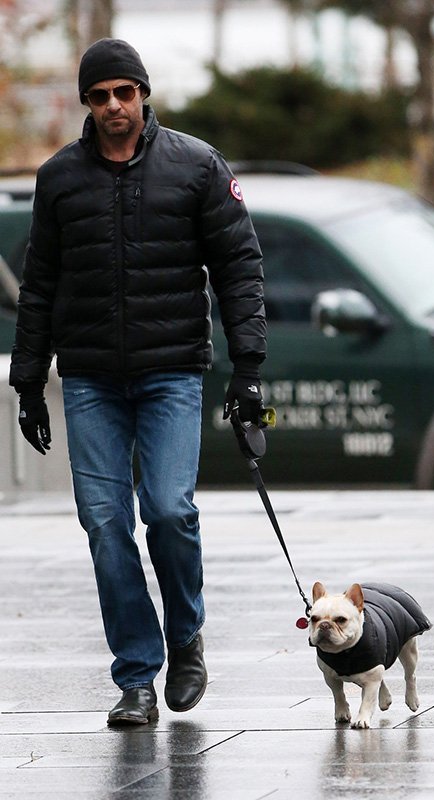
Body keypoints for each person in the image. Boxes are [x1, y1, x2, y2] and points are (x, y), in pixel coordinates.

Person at [9, 39, 266, 725]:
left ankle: (185, 637)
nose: (114, 106)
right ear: (86, 104)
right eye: (100, 96)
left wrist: (248, 369)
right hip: (90, 377)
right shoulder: (60, 178)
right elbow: (39, 285)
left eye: (125, 92)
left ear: (143, 94)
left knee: (170, 510)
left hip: (171, 373)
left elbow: (238, 266)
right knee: (104, 522)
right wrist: (27, 379)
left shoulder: (196, 164)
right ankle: (136, 676)